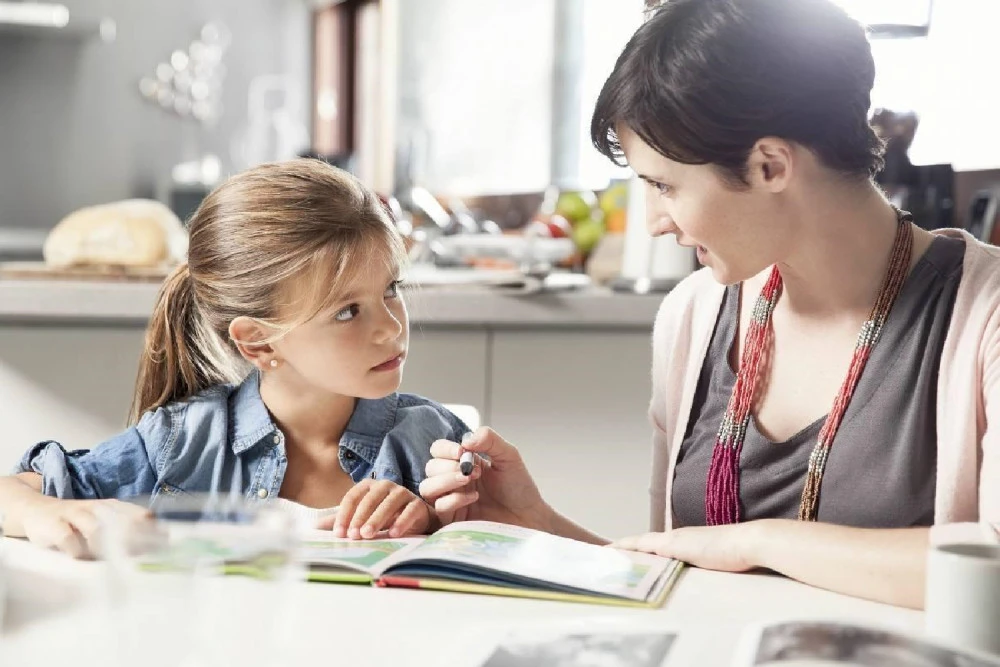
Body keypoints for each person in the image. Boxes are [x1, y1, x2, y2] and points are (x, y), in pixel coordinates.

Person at [420, 0, 1000, 609]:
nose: (653, 223)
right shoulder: (694, 316)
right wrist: (536, 527)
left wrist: (761, 542)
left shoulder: (982, 314)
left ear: (769, 165)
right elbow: (678, 580)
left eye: (664, 185)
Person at [0, 159, 469, 557]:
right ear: (258, 342)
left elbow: (500, 560)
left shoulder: (433, 442)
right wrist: (46, 513)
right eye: (348, 311)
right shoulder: (180, 443)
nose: (390, 326)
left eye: (391, 289)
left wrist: (434, 525)